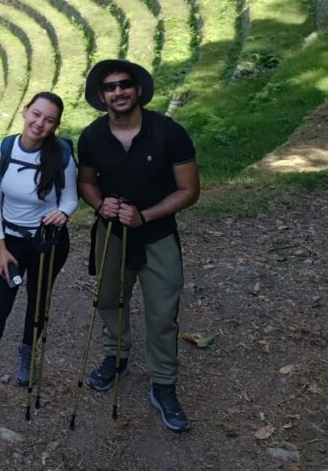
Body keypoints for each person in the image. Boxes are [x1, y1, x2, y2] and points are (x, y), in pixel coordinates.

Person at [77, 60, 200, 433]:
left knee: (162, 312)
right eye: (110, 87)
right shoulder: (91, 136)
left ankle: (163, 383)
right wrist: (100, 204)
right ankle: (116, 357)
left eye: (124, 84)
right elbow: (86, 182)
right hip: (111, 234)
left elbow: (189, 190)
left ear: (138, 89)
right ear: (102, 96)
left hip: (157, 235)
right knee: (110, 299)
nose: (118, 92)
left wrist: (145, 216)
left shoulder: (168, 133)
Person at [0, 92, 78, 403]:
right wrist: (0, 247)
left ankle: (27, 354)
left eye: (49, 120)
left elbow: (70, 197)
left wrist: (65, 213)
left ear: (56, 124)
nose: (40, 123)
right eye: (36, 114)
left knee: (38, 299)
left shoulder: (62, 155)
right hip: (12, 242)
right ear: (25, 111)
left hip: (49, 240)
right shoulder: (5, 150)